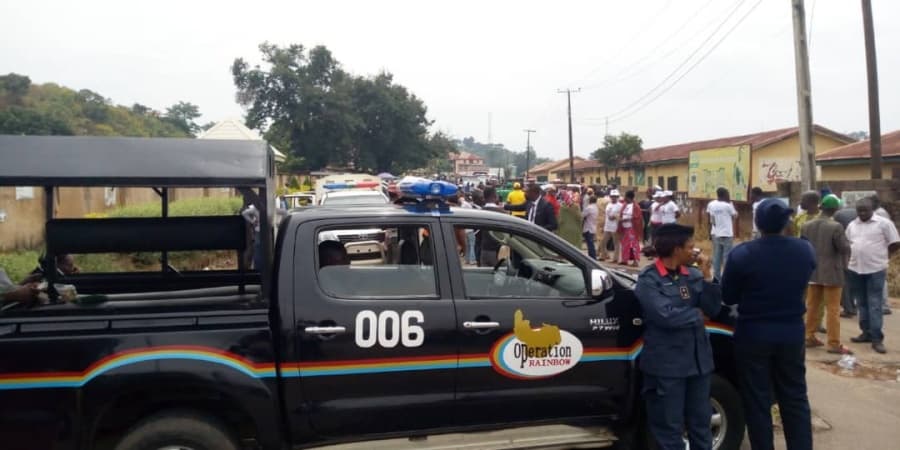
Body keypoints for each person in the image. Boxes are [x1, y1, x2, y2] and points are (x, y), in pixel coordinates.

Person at [721, 198, 816, 450]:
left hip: (753, 334)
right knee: (795, 396)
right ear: (786, 222)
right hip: (791, 333)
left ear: (757, 223)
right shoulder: (804, 250)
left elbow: (728, 296)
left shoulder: (742, 254)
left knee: (757, 399)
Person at [635, 223, 721, 450]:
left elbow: (712, 309)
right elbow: (665, 316)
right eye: (690, 247)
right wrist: (696, 315)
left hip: (698, 364)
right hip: (667, 367)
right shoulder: (649, 279)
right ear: (676, 249)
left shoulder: (693, 275)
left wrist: (708, 276)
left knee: (701, 425)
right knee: (669, 428)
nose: (695, 252)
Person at [845, 198, 900, 354]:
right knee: (861, 303)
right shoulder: (852, 225)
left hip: (876, 268)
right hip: (855, 268)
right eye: (859, 210)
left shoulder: (884, 223)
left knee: (875, 304)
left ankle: (877, 339)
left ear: (872, 210)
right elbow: (848, 243)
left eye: (865, 210)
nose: (862, 213)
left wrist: (884, 257)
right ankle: (866, 333)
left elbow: (895, 243)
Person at [801, 194, 853, 355]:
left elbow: (803, 246)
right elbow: (844, 248)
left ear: (821, 207)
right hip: (832, 273)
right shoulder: (836, 226)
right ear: (835, 209)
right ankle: (833, 343)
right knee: (833, 309)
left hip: (813, 271)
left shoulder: (806, 225)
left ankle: (809, 337)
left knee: (812, 306)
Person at [706, 187, 738, 280]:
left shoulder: (712, 205)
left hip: (716, 234)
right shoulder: (728, 205)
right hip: (727, 234)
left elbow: (712, 220)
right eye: (727, 194)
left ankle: (716, 278)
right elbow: (735, 216)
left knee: (717, 257)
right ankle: (726, 278)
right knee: (726, 257)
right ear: (724, 195)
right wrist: (731, 204)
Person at [479, 187, 506, 267]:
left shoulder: (479, 212)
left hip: (484, 249)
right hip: (499, 250)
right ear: (495, 196)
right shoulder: (502, 213)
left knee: (485, 272)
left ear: (484, 197)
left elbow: (477, 232)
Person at [619, 190, 643, 267]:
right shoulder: (625, 205)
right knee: (624, 244)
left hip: (632, 228)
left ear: (628, 197)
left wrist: (625, 219)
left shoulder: (636, 206)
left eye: (625, 196)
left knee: (633, 245)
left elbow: (637, 217)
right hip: (624, 228)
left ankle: (635, 261)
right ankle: (624, 260)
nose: (624, 198)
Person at [600, 190, 622, 261]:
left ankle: (615, 258)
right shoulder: (608, 204)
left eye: (615, 196)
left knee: (616, 243)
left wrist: (615, 216)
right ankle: (604, 255)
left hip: (615, 227)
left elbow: (621, 216)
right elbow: (606, 215)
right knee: (603, 242)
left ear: (617, 197)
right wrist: (603, 225)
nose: (613, 198)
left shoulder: (620, 205)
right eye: (612, 196)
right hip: (607, 226)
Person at [581, 194, 599, 260]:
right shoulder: (596, 207)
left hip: (588, 228)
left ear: (590, 200)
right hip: (593, 227)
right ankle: (592, 256)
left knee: (590, 244)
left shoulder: (589, 208)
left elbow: (582, 215)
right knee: (591, 243)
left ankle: (592, 257)